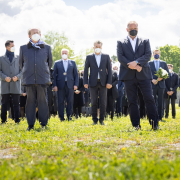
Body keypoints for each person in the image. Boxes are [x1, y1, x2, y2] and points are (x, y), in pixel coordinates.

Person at [117, 21, 159, 130]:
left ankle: (155, 124)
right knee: (132, 100)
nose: (133, 29)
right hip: (128, 76)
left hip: (144, 75)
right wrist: (135, 66)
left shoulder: (145, 41)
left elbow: (148, 55)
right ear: (127, 29)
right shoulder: (120, 42)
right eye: (131, 28)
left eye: (135, 28)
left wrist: (137, 62)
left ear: (138, 28)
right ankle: (136, 125)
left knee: (149, 98)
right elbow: (120, 58)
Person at [19, 28, 53, 130]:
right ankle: (30, 124)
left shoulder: (46, 47)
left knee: (43, 102)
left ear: (40, 34)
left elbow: (49, 63)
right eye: (33, 33)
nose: (36, 34)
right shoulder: (23, 48)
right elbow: (21, 64)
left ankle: (43, 123)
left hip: (42, 79)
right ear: (29, 35)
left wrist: (44, 72)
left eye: (37, 33)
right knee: (30, 102)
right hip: (29, 80)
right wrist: (28, 72)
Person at [83, 40, 112, 125]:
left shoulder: (106, 56)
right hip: (92, 82)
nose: (98, 48)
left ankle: (102, 119)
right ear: (93, 47)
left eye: (99, 47)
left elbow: (109, 71)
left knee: (103, 102)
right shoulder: (89, 57)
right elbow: (85, 70)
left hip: (103, 82)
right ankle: (94, 120)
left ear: (101, 47)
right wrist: (85, 82)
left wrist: (109, 82)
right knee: (94, 101)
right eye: (96, 47)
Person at [53, 49, 79, 121]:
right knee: (60, 101)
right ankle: (61, 117)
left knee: (70, 101)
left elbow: (76, 74)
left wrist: (76, 84)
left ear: (68, 54)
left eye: (65, 53)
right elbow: (54, 75)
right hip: (60, 85)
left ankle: (69, 116)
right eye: (63, 53)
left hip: (70, 85)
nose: (64, 54)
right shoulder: (57, 63)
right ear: (61, 54)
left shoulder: (72, 63)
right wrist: (54, 85)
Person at [0, 40, 22, 124]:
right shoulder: (1, 58)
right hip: (5, 84)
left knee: (16, 103)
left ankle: (17, 120)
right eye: (12, 46)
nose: (14, 47)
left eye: (14, 45)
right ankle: (3, 120)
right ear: (7, 47)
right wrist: (4, 77)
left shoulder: (19, 58)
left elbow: (22, 71)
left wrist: (18, 77)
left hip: (16, 84)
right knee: (4, 103)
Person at [149, 49, 169, 121]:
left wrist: (162, 78)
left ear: (160, 54)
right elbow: (146, 74)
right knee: (152, 101)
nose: (156, 54)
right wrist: (151, 80)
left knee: (161, 102)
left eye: (158, 53)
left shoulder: (164, 63)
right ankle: (153, 116)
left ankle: (160, 117)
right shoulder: (149, 63)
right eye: (155, 53)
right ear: (153, 54)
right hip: (152, 85)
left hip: (161, 85)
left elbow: (167, 73)